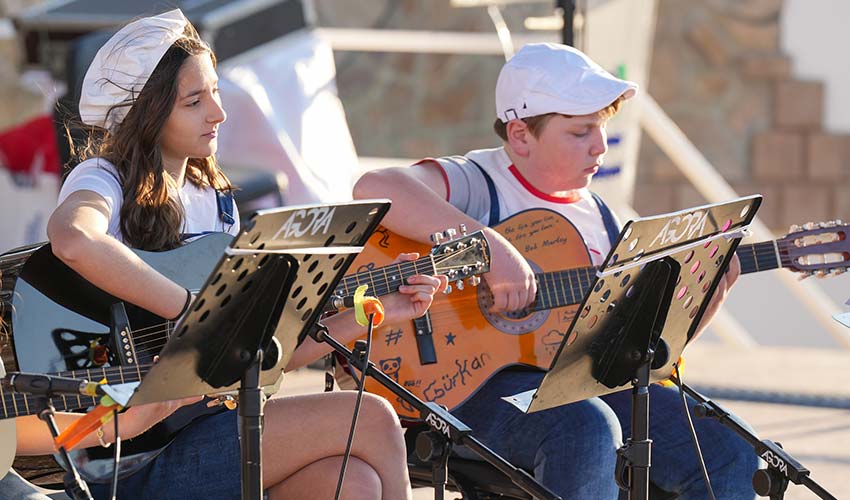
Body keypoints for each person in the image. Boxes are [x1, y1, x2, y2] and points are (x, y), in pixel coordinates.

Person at [11, 10, 446, 500]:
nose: (217, 112)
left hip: (199, 430)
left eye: (215, 91)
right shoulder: (102, 178)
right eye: (195, 101)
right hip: (123, 457)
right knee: (371, 417)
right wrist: (192, 311)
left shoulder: (216, 206)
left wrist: (373, 315)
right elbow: (71, 238)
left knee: (351, 484)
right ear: (146, 113)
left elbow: (252, 356)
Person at [353, 43, 759, 499]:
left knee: (730, 450)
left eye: (602, 129)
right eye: (581, 132)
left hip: (570, 384)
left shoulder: (603, 218)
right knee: (585, 430)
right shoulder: (478, 180)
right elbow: (375, 188)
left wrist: (704, 303)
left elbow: (631, 360)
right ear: (522, 135)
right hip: (464, 385)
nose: (601, 145)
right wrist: (489, 246)